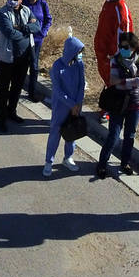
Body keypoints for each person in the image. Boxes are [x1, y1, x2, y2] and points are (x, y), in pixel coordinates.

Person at [96, 31, 139, 178]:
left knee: (130, 136)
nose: (122, 49)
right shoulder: (115, 60)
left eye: (126, 47)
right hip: (118, 103)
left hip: (135, 104)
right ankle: (102, 164)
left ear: (133, 47)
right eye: (121, 46)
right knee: (113, 135)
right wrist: (131, 81)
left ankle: (124, 163)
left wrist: (123, 81)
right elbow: (113, 81)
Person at [0, 0, 40, 131]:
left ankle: (11, 112)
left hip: (23, 57)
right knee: (3, 89)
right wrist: (26, 31)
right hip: (7, 58)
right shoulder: (3, 13)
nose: (11, 0)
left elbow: (37, 26)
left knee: (17, 87)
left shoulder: (27, 10)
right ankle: (1, 118)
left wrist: (22, 28)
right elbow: (9, 33)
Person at [45, 33, 86, 176]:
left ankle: (68, 158)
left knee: (71, 133)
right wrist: (71, 104)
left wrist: (78, 104)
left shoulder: (79, 65)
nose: (80, 55)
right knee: (55, 133)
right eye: (79, 52)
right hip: (61, 106)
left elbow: (82, 85)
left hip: (75, 107)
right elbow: (57, 90)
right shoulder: (57, 66)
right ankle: (48, 161)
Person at [95, 0, 133, 92]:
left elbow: (124, 37)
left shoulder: (121, 11)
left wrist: (116, 57)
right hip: (103, 50)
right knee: (106, 78)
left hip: (112, 56)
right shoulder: (109, 3)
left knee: (113, 81)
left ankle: (113, 107)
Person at [23, 0, 53, 102]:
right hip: (23, 39)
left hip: (37, 40)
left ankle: (32, 92)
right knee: (21, 65)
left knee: (34, 67)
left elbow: (48, 19)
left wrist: (44, 32)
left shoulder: (42, 3)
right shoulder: (22, 1)